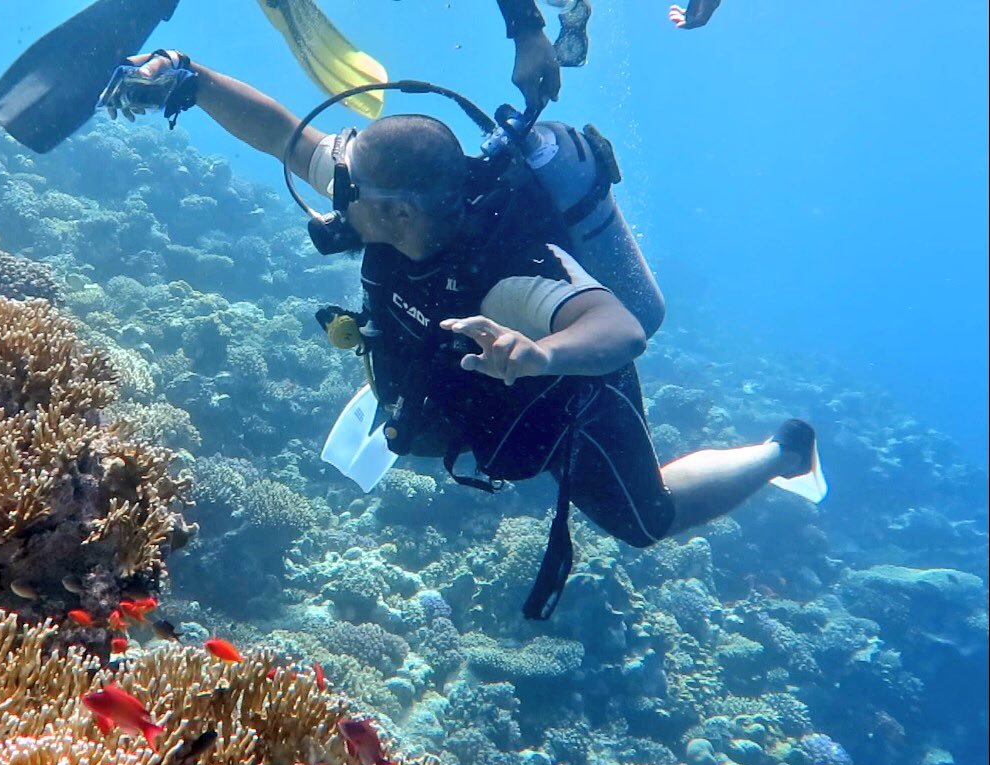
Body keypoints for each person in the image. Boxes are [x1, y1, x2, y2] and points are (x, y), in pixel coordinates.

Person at [97, 52, 823, 617]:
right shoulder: (387, 193)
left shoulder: (510, 274)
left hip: (573, 402)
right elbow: (289, 139)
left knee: (645, 521)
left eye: (353, 193)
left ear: (405, 214)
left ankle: (781, 453)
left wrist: (539, 354)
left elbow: (623, 329)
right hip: (465, 374)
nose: (337, 196)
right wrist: (189, 79)